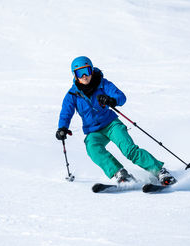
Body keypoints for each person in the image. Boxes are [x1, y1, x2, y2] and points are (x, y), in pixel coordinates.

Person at [56, 56, 176, 185]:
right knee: (92, 148)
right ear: (75, 75)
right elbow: (66, 113)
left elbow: (121, 97)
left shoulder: (103, 84)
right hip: (93, 131)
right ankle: (120, 173)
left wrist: (111, 100)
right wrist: (62, 128)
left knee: (129, 150)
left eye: (87, 71)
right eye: (80, 73)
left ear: (92, 70)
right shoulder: (72, 95)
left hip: (112, 125)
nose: (84, 76)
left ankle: (160, 171)